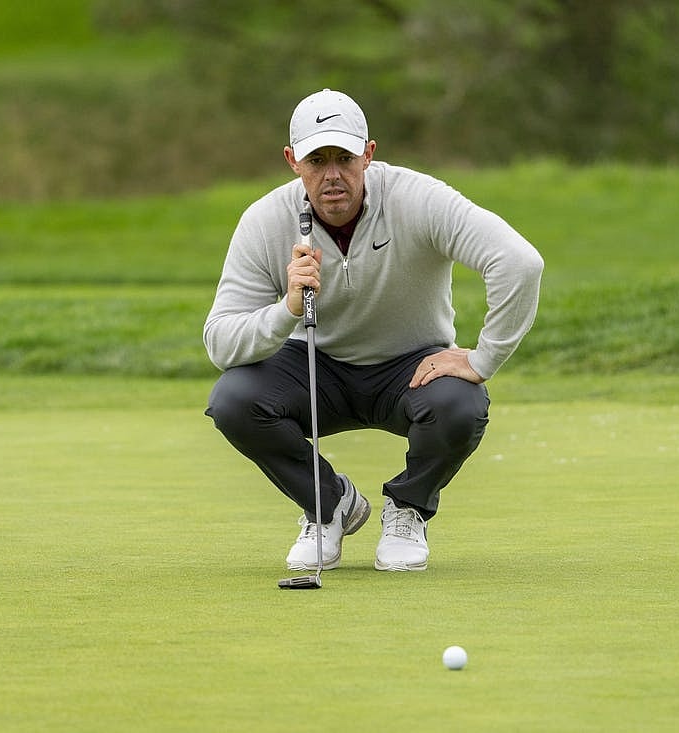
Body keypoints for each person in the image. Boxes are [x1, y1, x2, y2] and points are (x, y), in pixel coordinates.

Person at [204, 89, 543, 572]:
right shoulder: (264, 221)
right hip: (313, 368)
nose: (332, 174)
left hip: (411, 366)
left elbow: (519, 263)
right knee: (234, 399)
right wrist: (286, 309)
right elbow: (220, 340)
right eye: (316, 160)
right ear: (291, 162)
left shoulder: (418, 198)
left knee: (460, 404)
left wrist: (481, 359)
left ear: (368, 154)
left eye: (344, 157)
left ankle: (407, 509)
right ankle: (328, 506)